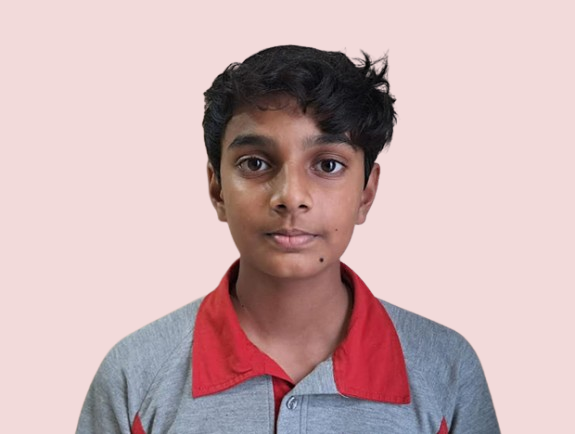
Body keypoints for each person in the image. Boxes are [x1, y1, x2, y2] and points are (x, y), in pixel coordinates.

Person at [76, 45, 500, 434]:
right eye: (255, 163)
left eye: (328, 165)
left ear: (366, 194)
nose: (291, 196)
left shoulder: (446, 371)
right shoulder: (135, 376)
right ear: (217, 189)